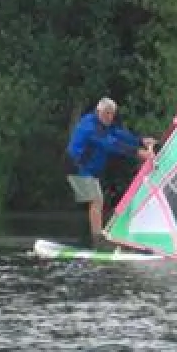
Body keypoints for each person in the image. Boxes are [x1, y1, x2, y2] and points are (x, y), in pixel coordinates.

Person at [65, 97, 156, 249]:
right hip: (76, 167)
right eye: (106, 113)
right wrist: (138, 152)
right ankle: (98, 240)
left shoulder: (104, 126)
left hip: (89, 170)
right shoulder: (90, 127)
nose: (110, 117)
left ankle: (92, 239)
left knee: (96, 202)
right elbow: (110, 144)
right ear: (98, 111)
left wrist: (141, 141)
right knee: (96, 200)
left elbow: (119, 134)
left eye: (112, 114)